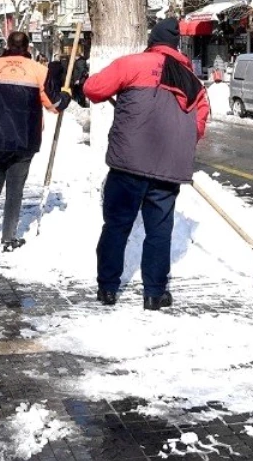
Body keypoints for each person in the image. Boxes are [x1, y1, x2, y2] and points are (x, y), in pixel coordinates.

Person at [83, 18, 209, 310]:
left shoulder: (132, 64)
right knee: (159, 231)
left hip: (128, 164)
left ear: (152, 41)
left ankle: (108, 289)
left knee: (116, 226)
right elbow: (198, 126)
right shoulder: (193, 81)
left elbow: (93, 89)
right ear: (176, 46)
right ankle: (154, 293)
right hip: (169, 170)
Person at [0, 31, 69, 252]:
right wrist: (65, 97)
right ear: (28, 47)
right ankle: (8, 238)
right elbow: (53, 105)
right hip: (25, 139)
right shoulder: (40, 71)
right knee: (15, 189)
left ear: (7, 45)